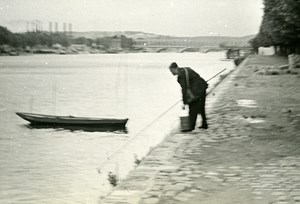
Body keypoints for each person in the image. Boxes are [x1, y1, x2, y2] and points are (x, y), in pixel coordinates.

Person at [169, 62, 208, 131]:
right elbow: (196, 77)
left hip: (196, 91)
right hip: (202, 87)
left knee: (192, 108)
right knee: (201, 107)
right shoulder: (186, 69)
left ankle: (190, 127)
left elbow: (184, 89)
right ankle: (204, 124)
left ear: (175, 69)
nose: (171, 73)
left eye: (171, 71)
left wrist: (184, 102)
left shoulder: (181, 76)